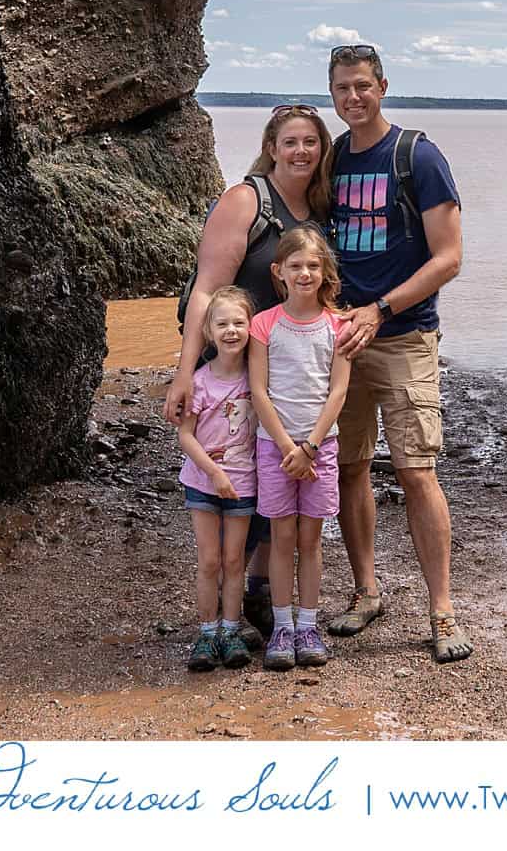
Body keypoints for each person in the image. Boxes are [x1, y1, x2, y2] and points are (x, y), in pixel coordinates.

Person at [163, 103, 337, 638]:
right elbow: (206, 290)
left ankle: (259, 592)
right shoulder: (247, 199)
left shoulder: (319, 209)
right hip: (233, 362)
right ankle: (227, 605)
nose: (301, 151)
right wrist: (186, 370)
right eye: (290, 142)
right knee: (238, 469)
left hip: (285, 371)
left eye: (311, 142)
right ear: (271, 147)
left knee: (271, 475)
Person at [323, 44, 471, 663]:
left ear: (382, 86)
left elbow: (449, 257)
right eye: (341, 89)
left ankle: (442, 612)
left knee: (416, 471)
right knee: (350, 467)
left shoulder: (418, 156)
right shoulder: (332, 158)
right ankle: (365, 593)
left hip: (405, 336)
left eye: (362, 86)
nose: (352, 98)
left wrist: (380, 310)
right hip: (339, 341)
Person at [246, 226, 351, 670]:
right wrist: (288, 446)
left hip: (320, 448)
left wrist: (309, 447)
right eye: (296, 266)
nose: (305, 273)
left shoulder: (337, 326)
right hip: (275, 448)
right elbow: (258, 390)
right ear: (279, 271)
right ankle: (283, 626)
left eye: (313, 265)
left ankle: (309, 624)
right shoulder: (264, 324)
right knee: (282, 538)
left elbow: (338, 391)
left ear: (324, 271)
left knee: (311, 541)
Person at [175, 285, 259, 672]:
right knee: (209, 560)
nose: (231, 331)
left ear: (250, 327)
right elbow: (185, 435)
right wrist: (214, 473)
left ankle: (230, 629)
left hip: (245, 483)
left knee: (234, 559)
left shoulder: (257, 381)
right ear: (208, 332)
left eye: (239, 323)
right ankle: (207, 632)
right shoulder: (200, 381)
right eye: (222, 324)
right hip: (203, 482)